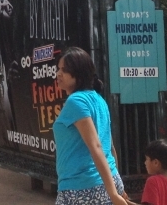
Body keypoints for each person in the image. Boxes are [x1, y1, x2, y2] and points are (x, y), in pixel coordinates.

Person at [54, 46, 127, 205]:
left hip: (82, 188)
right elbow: (110, 147)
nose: (59, 73)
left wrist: (114, 193)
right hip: (104, 181)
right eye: (59, 68)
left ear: (79, 74)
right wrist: (117, 186)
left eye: (65, 70)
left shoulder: (76, 102)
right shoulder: (99, 100)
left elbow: (97, 146)